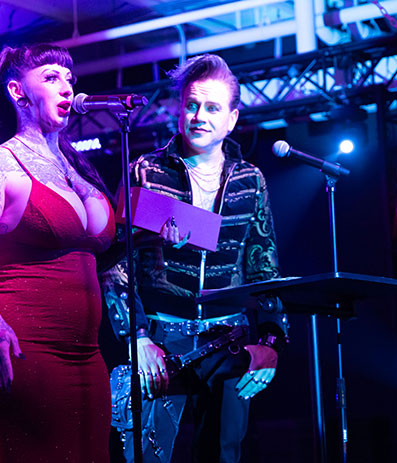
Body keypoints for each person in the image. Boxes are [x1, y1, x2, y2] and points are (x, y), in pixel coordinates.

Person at [103, 54, 288, 463]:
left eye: (213, 108)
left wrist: (270, 344)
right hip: (160, 340)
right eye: (192, 104)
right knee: (145, 455)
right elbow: (115, 265)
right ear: (180, 108)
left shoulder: (250, 180)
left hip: (229, 342)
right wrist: (137, 337)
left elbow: (264, 267)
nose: (200, 116)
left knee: (223, 455)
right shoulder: (145, 171)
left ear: (232, 119)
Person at [0, 44, 115, 463]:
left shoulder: (78, 169)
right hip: (21, 338)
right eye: (51, 77)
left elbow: (100, 258)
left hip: (86, 351)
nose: (66, 88)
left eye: (69, 79)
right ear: (17, 91)